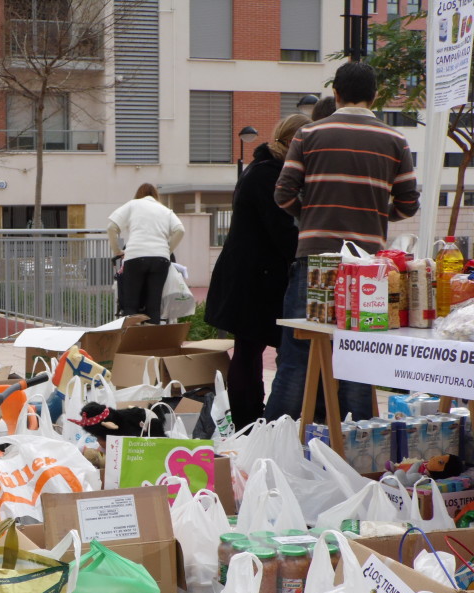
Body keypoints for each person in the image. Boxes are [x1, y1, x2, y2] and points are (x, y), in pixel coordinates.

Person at [266, 61, 419, 421]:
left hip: (315, 260)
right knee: (360, 357)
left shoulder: (308, 135)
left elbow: (283, 193)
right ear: (376, 94)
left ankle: (277, 442)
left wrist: (311, 217)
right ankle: (357, 449)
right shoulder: (395, 140)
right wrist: (377, 217)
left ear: (335, 94)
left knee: (298, 357)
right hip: (368, 267)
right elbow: (409, 204)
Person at [205, 113, 311, 425]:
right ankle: (249, 422)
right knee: (249, 353)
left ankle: (252, 419)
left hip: (250, 278)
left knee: (249, 351)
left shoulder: (264, 169)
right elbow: (281, 231)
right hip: (252, 280)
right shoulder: (269, 175)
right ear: (294, 142)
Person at [107, 183, 185, 324]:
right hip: (160, 259)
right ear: (156, 195)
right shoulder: (165, 210)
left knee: (131, 305)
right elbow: (180, 230)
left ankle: (131, 340)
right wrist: (167, 251)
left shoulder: (133, 205)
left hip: (135, 257)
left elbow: (112, 227)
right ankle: (150, 342)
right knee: (153, 306)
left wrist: (117, 251)